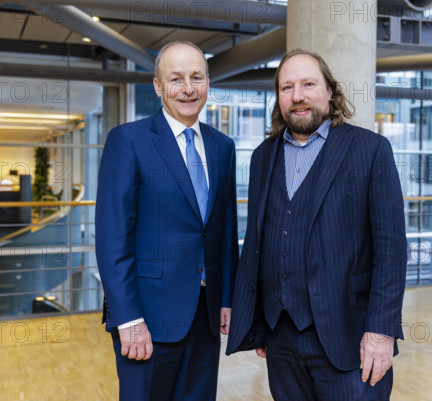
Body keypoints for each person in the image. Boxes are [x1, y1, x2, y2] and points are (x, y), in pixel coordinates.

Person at [226, 49, 407, 400]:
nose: (298, 96)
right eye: (287, 87)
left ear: (329, 92)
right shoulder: (263, 157)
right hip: (281, 340)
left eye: (308, 84)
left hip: (351, 339)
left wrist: (381, 332)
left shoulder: (370, 150)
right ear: (278, 98)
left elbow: (391, 249)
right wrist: (260, 326)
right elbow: (258, 244)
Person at [95, 41, 238, 401]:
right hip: (147, 320)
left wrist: (227, 298)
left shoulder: (223, 147)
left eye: (196, 77)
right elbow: (113, 238)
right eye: (176, 79)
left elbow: (223, 231)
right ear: (158, 87)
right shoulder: (128, 141)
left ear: (208, 83)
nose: (187, 89)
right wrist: (128, 320)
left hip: (204, 319)